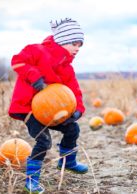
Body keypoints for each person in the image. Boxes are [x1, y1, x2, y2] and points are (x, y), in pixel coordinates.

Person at [8, 18, 88, 193]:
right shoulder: (36, 51)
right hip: (28, 109)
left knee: (73, 129)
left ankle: (68, 162)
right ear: (63, 40)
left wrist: (78, 110)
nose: (77, 48)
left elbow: (75, 92)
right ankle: (31, 180)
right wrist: (34, 76)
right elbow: (17, 61)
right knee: (43, 141)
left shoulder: (67, 69)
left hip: (54, 111)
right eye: (74, 43)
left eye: (80, 45)